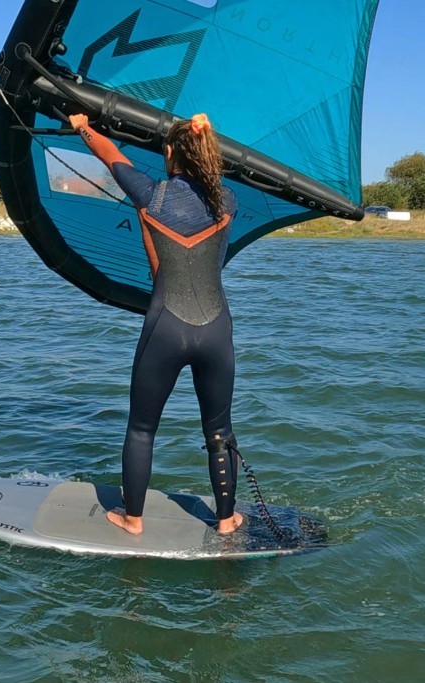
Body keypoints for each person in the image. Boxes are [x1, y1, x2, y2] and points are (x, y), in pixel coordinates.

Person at [68, 111, 243, 536]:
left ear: (169, 153)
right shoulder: (228, 200)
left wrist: (81, 125)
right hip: (217, 329)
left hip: (166, 326)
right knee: (220, 430)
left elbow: (109, 154)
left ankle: (133, 518)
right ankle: (226, 520)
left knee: (142, 428)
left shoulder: (151, 194)